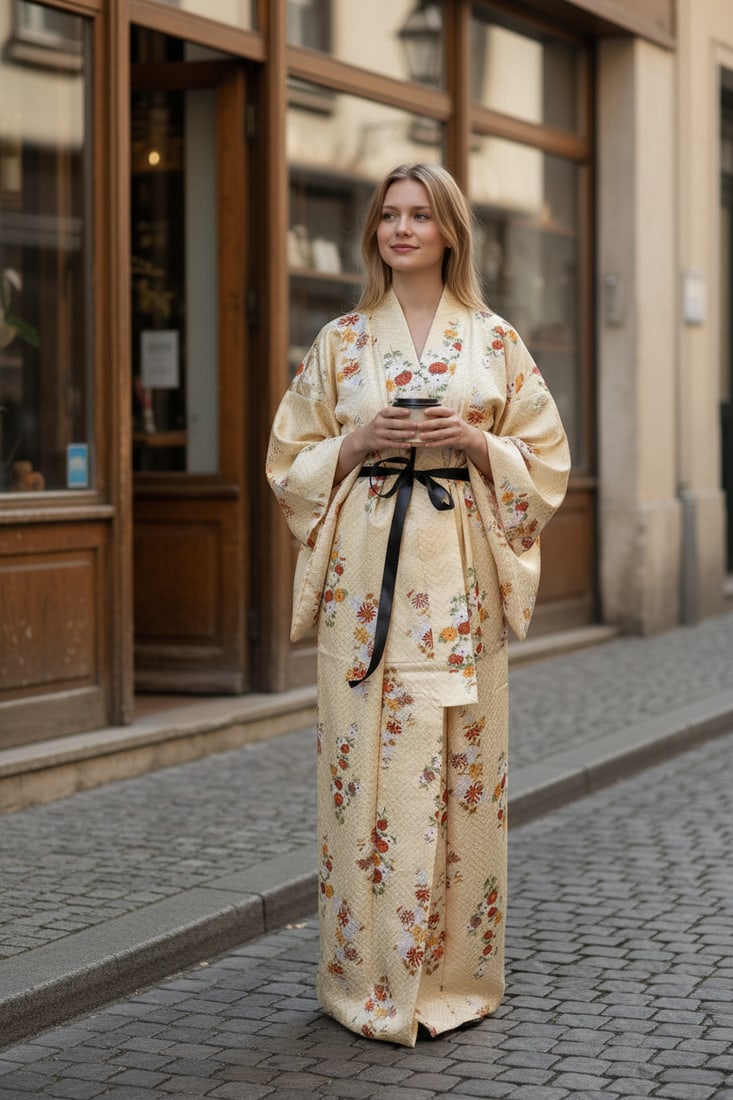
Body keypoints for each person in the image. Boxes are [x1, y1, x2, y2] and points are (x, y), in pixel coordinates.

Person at [266, 163, 570, 1047]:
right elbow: (291, 461)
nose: (402, 228)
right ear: (375, 232)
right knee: (359, 774)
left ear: (449, 232)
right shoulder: (340, 342)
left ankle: (453, 975)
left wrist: (476, 441)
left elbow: (544, 460)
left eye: (420, 215)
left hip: (457, 584)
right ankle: (364, 977)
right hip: (365, 590)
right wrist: (356, 441)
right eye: (390, 215)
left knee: (459, 770)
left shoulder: (495, 338)